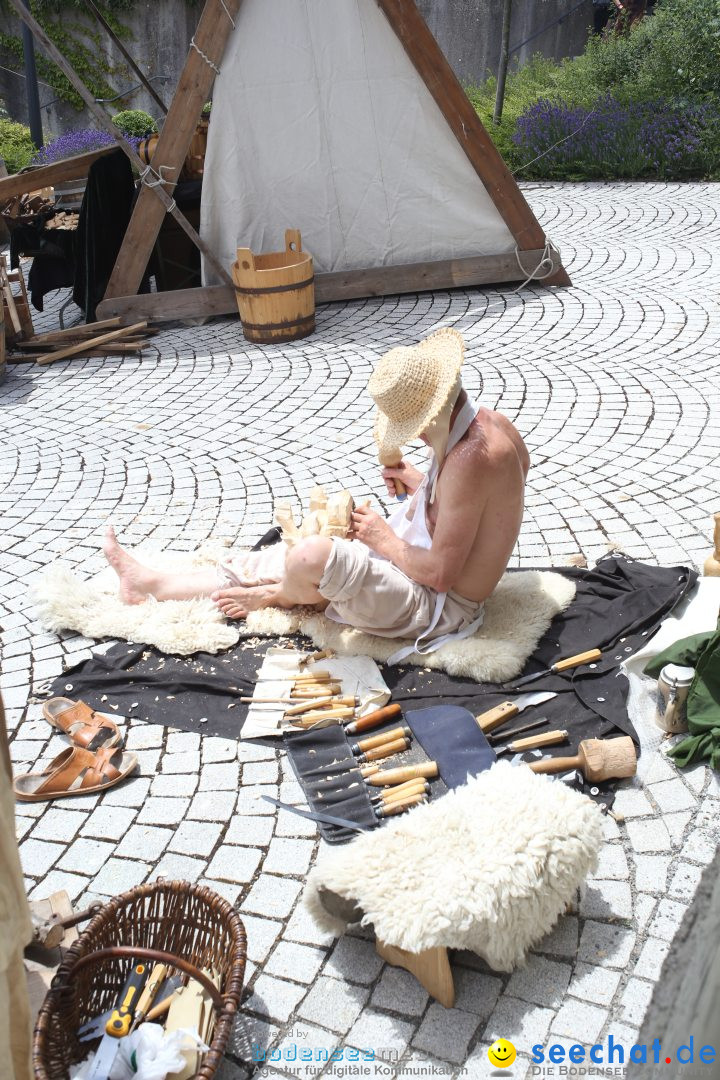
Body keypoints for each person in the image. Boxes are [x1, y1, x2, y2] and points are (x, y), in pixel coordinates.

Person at [103, 328, 529, 660]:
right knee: (295, 551)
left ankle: (275, 596)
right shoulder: (493, 425)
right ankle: (153, 584)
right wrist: (425, 485)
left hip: (437, 609)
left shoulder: (468, 462)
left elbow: (440, 575)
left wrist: (382, 538)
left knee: (313, 557)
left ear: (425, 420)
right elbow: (489, 506)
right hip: (422, 575)